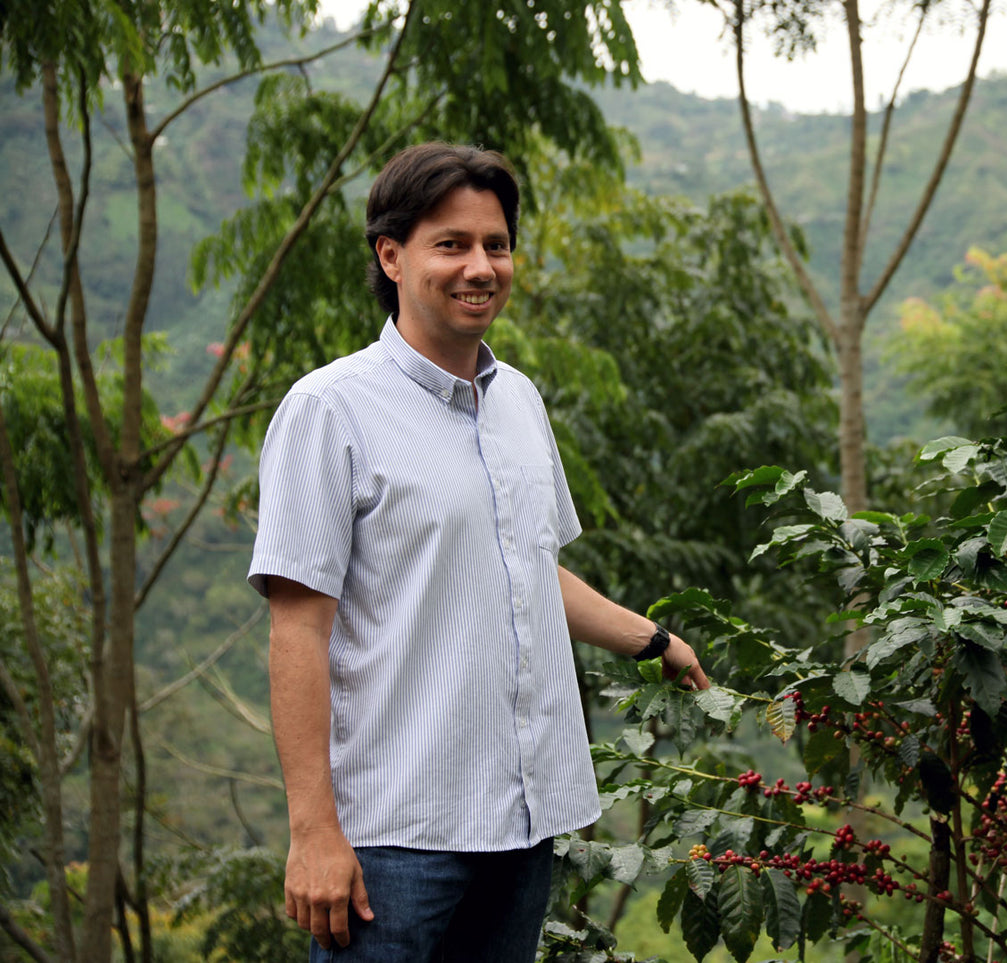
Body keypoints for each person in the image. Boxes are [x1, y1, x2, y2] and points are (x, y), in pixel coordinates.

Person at [248, 142, 709, 962]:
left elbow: (524, 564)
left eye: (495, 244)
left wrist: (654, 639)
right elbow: (297, 629)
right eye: (450, 244)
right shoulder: (329, 410)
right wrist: (313, 830)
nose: (479, 266)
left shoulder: (518, 401)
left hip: (521, 824)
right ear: (391, 255)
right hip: (392, 838)